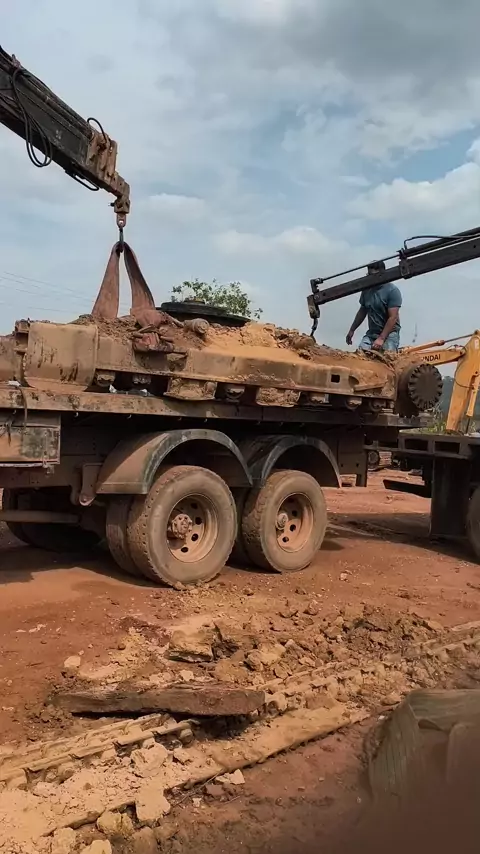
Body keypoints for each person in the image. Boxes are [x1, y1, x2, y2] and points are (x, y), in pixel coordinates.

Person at [346, 262, 402, 352]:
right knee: (362, 352)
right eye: (369, 275)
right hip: (372, 333)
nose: (371, 278)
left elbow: (393, 317)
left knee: (387, 354)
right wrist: (352, 330)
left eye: (373, 275)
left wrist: (381, 338)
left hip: (390, 334)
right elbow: (362, 311)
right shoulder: (367, 290)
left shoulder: (392, 291)